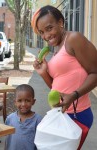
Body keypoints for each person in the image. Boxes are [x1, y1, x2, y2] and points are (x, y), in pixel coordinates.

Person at [31, 5, 97, 149]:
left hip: (77, 114)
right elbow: (56, 87)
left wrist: (74, 95)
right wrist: (43, 72)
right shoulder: (57, 49)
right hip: (61, 114)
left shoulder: (73, 39)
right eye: (42, 32)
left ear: (60, 23)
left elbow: (95, 73)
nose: (46, 36)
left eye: (49, 28)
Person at [5, 84, 42, 150]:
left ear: (33, 102)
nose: (23, 104)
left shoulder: (38, 120)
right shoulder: (10, 119)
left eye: (27, 100)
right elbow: (8, 140)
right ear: (15, 102)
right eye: (19, 101)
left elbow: (41, 143)